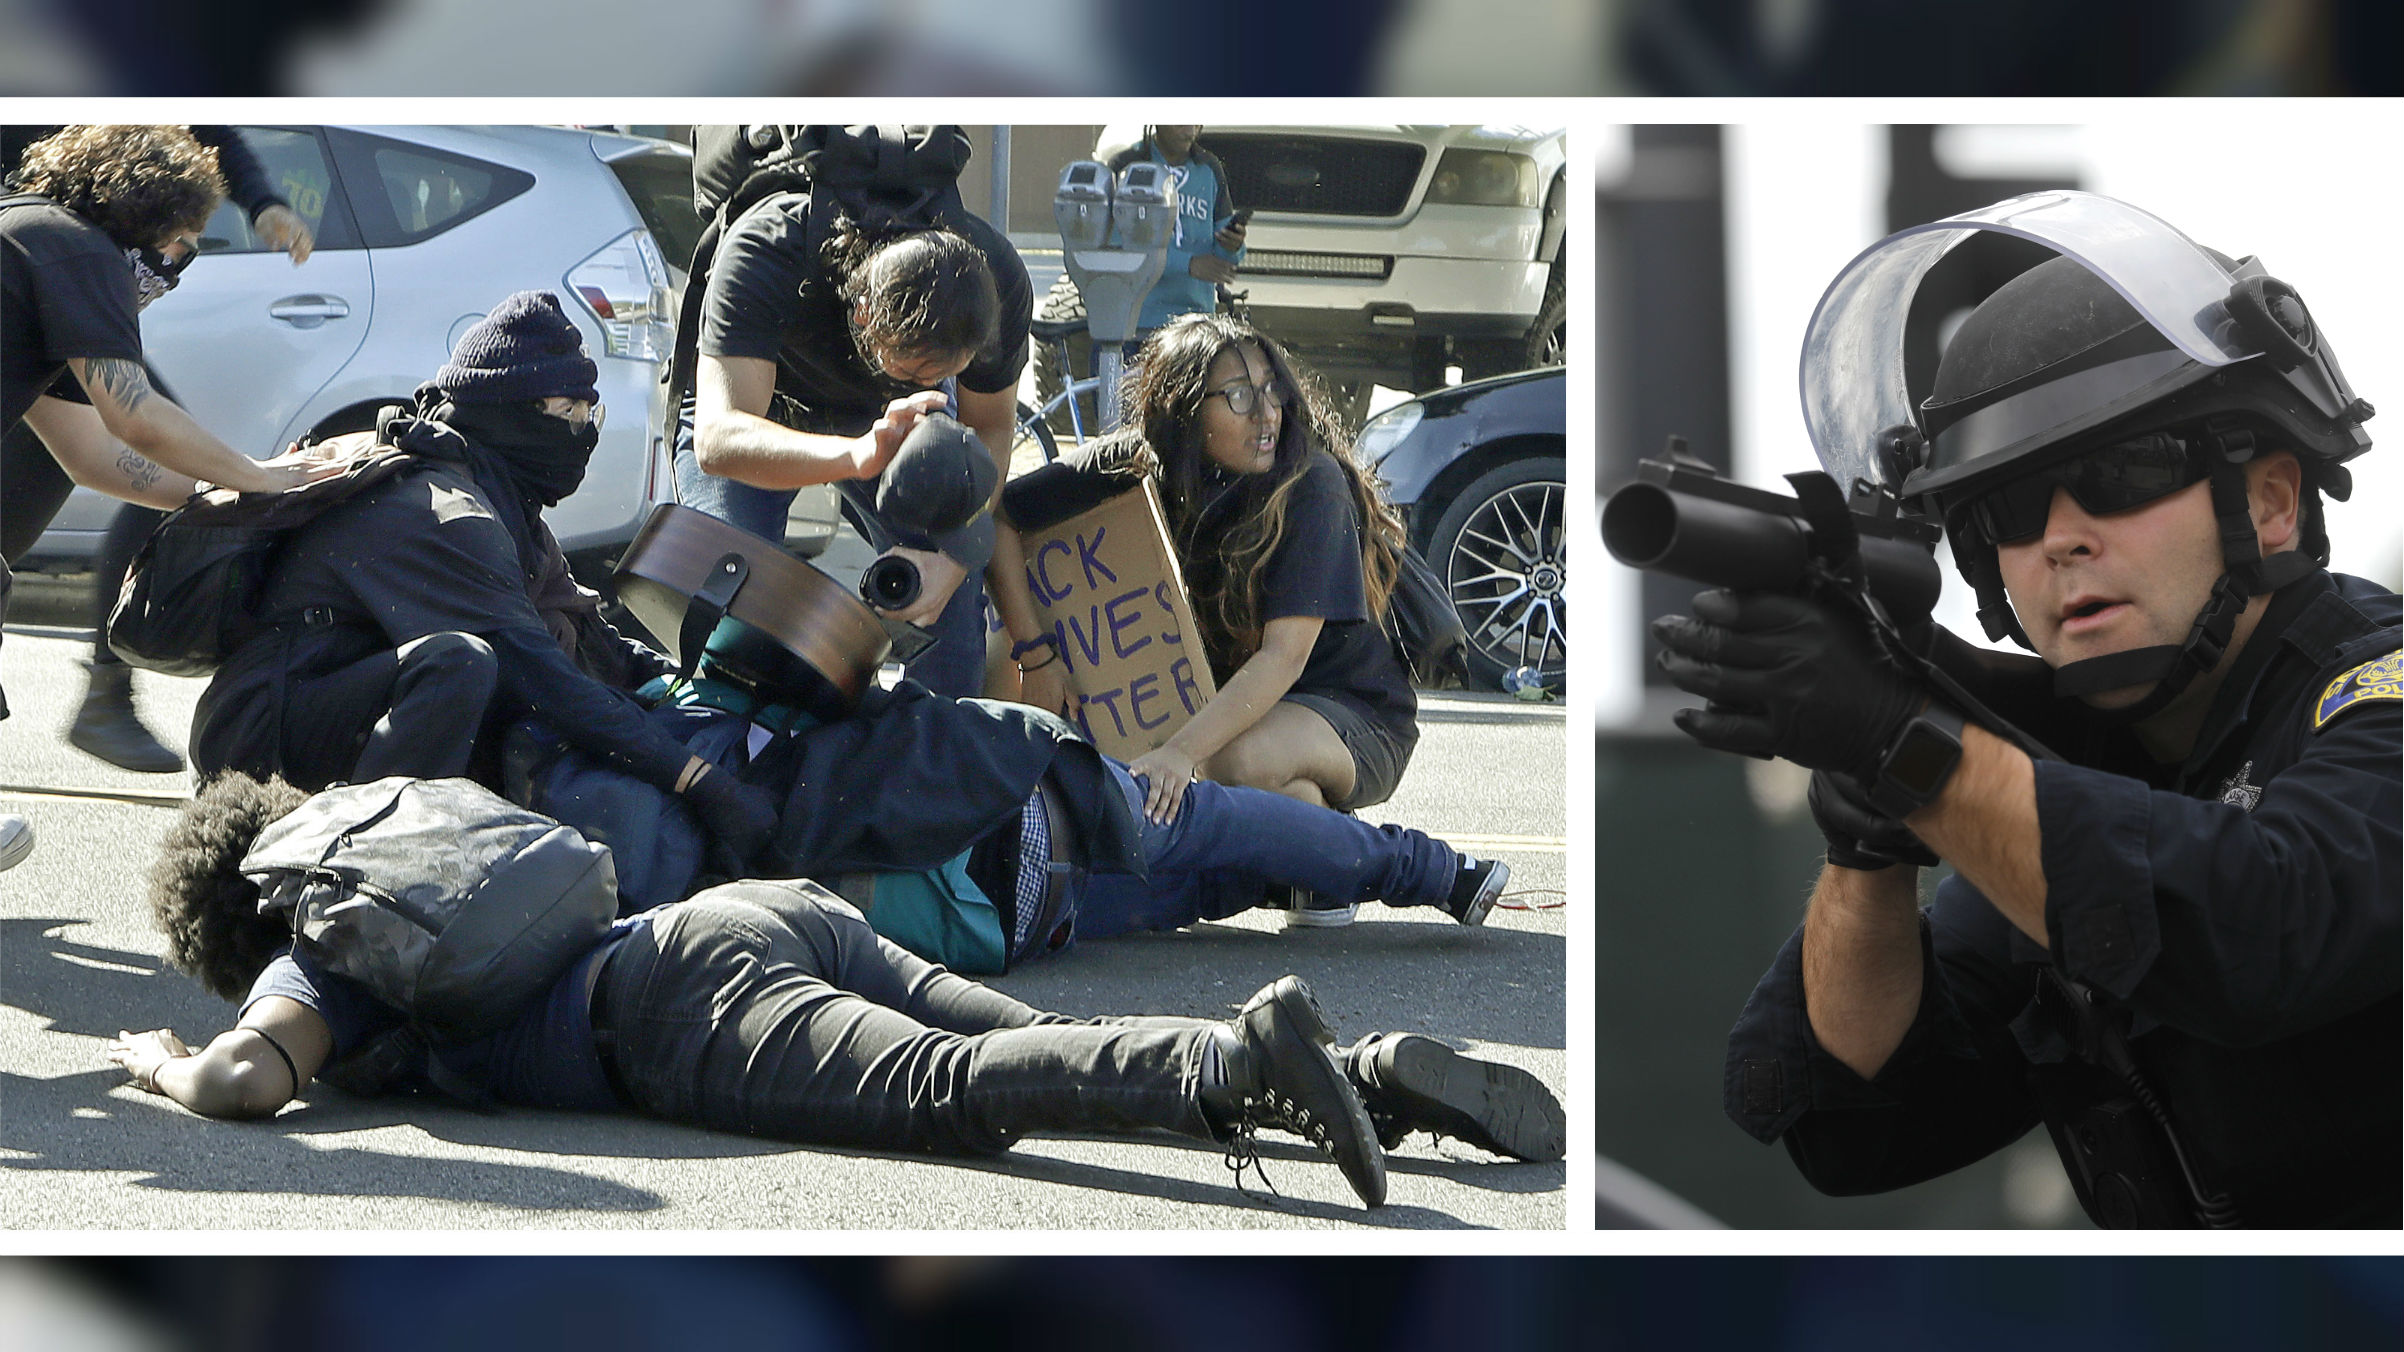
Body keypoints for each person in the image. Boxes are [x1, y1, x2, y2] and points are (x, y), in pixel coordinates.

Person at [1653, 193, 2396, 1226]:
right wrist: (1874, 827)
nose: (2059, 538)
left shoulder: (2375, 698)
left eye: (2118, 472)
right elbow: (1862, 1110)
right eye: (2007, 509)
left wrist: (1909, 744)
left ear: (2271, 500)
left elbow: (2263, 927)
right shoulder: (2091, 770)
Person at [105, 773, 1555, 1209]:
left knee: (951, 1095)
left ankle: (1244, 1071)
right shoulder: (396, 842)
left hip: (669, 1019)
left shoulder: (323, 947)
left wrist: (167, 1060)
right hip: (753, 917)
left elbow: (248, 1082)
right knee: (1041, 1039)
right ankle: (1357, 1079)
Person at [186, 290, 779, 865]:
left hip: (343, 707)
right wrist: (695, 780)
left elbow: (586, 634)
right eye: (567, 413)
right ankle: (354, 868)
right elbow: (541, 672)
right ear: (513, 413)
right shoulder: (445, 509)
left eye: (588, 412)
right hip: (264, 732)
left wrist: (699, 691)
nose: (584, 430)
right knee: (466, 666)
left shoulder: (505, 506)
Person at [1003, 315, 1419, 928]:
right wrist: (1034, 654)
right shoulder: (1137, 462)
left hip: (1347, 712)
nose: (1267, 413)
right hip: (1219, 695)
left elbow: (1284, 657)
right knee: (998, 667)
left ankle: (1329, 851)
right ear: (1183, 412)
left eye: (1273, 388)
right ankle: (1290, 837)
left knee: (1238, 761)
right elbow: (997, 516)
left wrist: (1177, 754)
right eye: (1240, 396)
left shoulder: (1312, 485)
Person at [1, 124, 333, 874]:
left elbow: (90, 454)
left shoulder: (36, 243)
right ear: (138, 213)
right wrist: (257, 475)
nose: (179, 263)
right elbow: (138, 417)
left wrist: (226, 486)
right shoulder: (76, 251)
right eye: (183, 240)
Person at [678, 156, 1038, 703]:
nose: (938, 382)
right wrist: (856, 455)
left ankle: (930, 764)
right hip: (759, 409)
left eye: (948, 374)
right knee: (737, 596)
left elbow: (990, 430)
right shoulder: (769, 249)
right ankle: (737, 755)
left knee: (950, 597)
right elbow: (719, 438)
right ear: (865, 315)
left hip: (890, 421)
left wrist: (953, 558)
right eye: (920, 371)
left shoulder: (998, 279)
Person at [1103, 125, 1246, 353]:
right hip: (1136, 328)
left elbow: (1224, 249)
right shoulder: (1127, 166)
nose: (1190, 130)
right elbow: (1116, 248)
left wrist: (1233, 247)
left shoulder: (1208, 168)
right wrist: (1187, 264)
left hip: (1194, 329)